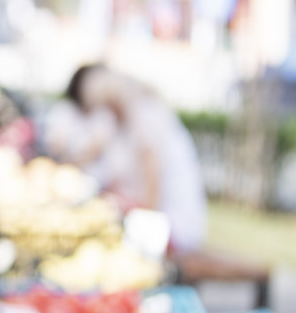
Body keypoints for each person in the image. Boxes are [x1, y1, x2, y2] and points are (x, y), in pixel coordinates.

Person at [64, 63, 207, 251]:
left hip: (173, 225)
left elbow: (151, 200)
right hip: (157, 220)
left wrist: (126, 208)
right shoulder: (123, 121)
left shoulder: (146, 116)